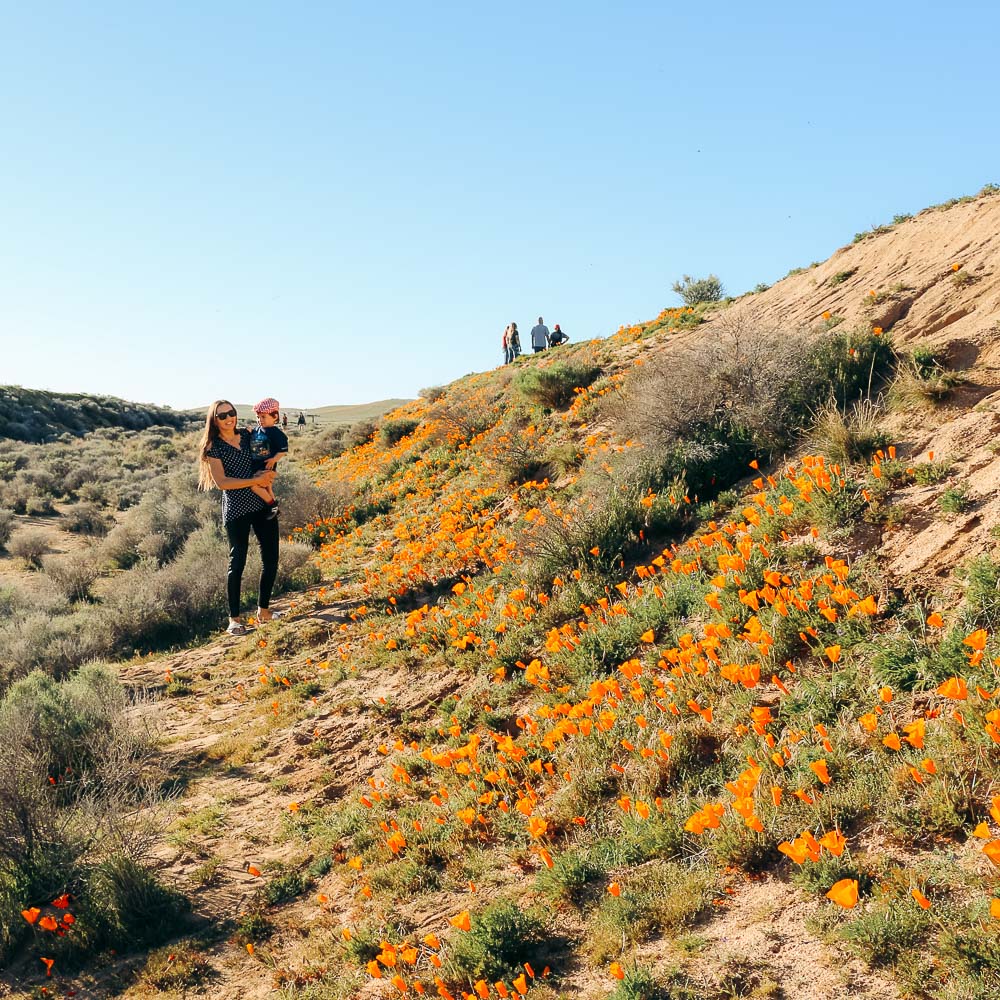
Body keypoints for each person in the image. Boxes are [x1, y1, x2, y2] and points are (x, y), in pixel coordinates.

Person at [198, 400, 280, 636]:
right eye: (222, 415)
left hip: (262, 503)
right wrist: (255, 481)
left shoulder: (248, 435)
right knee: (238, 562)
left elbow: (266, 460)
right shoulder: (213, 447)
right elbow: (223, 483)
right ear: (214, 420)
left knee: (271, 558)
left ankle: (263, 611)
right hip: (237, 509)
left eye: (231, 413)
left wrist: (269, 475)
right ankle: (234, 620)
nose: (228, 418)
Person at [248, 397, 289, 519]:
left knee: (254, 486)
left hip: (267, 467)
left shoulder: (275, 433)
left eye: (263, 417)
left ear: (275, 416)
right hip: (257, 466)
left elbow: (283, 450)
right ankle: (274, 508)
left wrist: (273, 460)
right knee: (267, 488)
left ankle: (272, 505)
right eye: (258, 417)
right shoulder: (258, 430)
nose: (260, 420)